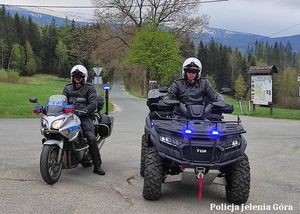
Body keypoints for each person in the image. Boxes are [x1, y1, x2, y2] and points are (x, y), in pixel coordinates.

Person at [63, 65, 105, 176]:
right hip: (69, 116)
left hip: (85, 117)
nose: (77, 79)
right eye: (75, 77)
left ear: (84, 77)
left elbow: (93, 104)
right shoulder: (67, 88)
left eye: (79, 77)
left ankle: (97, 166)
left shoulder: (90, 88)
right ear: (72, 78)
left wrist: (84, 111)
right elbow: (62, 101)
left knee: (90, 137)